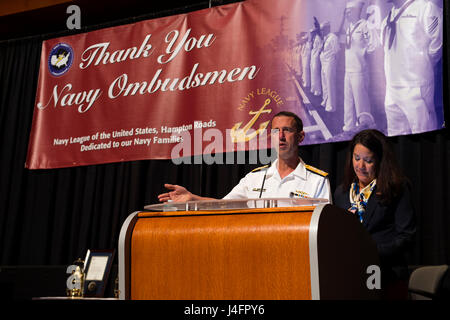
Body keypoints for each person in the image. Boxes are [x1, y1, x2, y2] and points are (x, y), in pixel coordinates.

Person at [158, 111, 332, 203]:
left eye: (286, 130)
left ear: (300, 137)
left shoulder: (317, 181)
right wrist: (192, 198)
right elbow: (224, 205)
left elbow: (324, 227)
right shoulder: (254, 178)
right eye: (275, 131)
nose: (280, 137)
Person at [333, 129, 416, 300]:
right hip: (350, 276)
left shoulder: (396, 189)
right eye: (356, 158)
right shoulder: (341, 193)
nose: (360, 166)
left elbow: (407, 237)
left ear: (379, 161)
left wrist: (370, 252)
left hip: (386, 274)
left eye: (368, 160)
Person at [380, 0, 443, 135]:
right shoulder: (387, 19)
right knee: (396, 137)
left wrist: (423, 65)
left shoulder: (425, 8)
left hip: (416, 87)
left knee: (425, 136)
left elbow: (437, 44)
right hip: (392, 90)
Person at [338, 0, 377, 133]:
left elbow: (373, 45)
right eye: (346, 11)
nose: (347, 14)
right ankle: (348, 127)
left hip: (359, 70)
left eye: (349, 11)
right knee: (348, 102)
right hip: (348, 70)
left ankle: (366, 128)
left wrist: (364, 54)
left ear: (356, 11)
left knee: (361, 103)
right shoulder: (349, 27)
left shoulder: (365, 26)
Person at [319, 21, 340, 112]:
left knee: (330, 84)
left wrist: (335, 64)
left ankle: (331, 106)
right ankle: (325, 101)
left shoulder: (333, 38)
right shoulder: (325, 38)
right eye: (321, 30)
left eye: (323, 29)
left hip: (330, 63)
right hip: (324, 63)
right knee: (325, 84)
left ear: (328, 28)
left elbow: (337, 51)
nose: (322, 31)